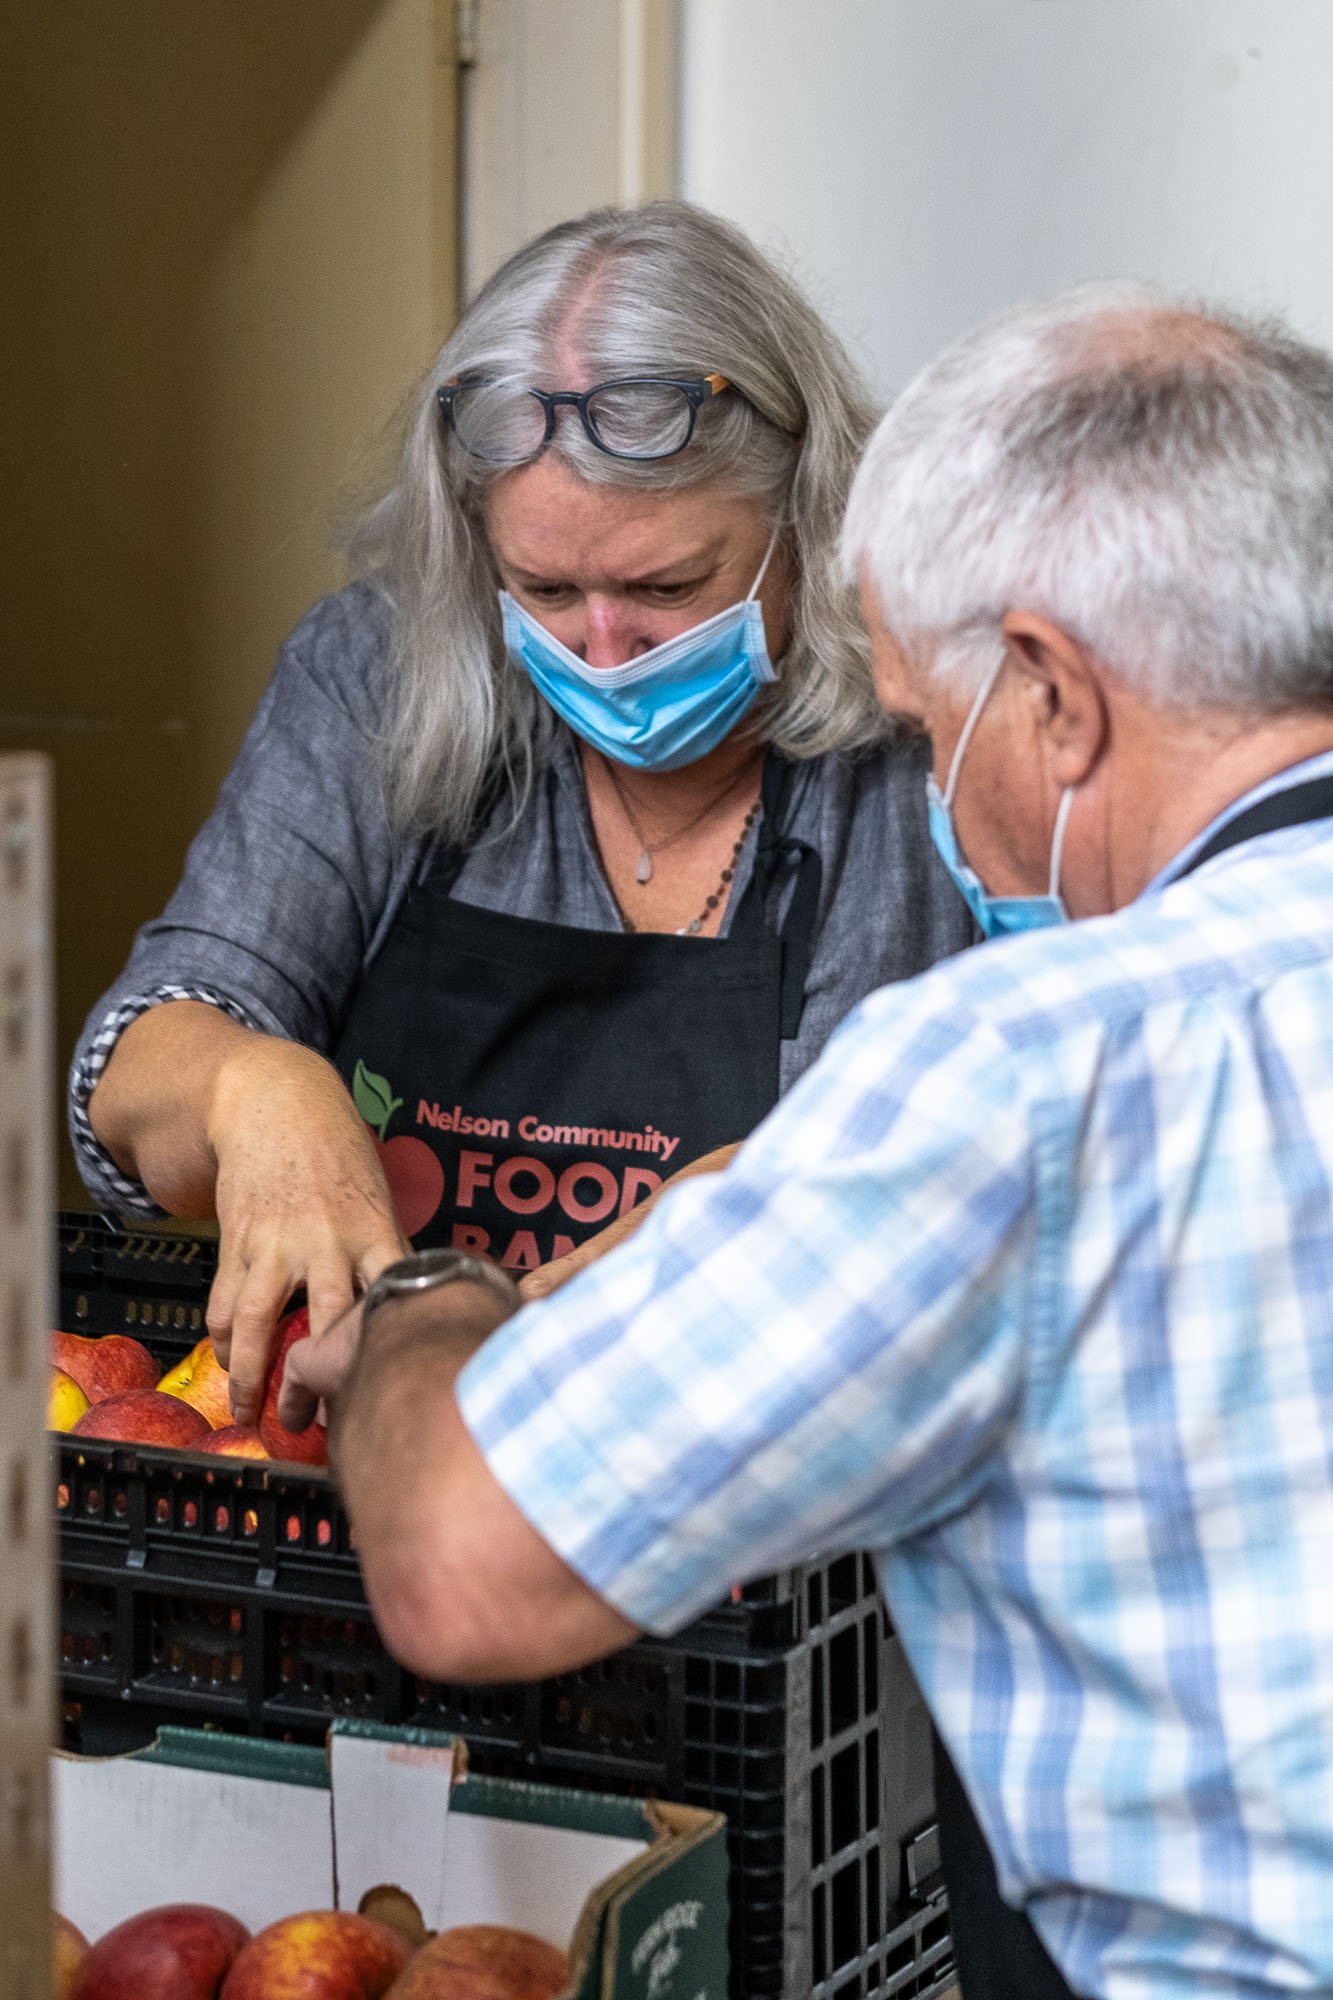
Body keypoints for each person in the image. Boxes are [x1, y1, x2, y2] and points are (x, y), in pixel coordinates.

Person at [284, 287, 1333, 2000]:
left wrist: (432, 1296)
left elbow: (468, 1569)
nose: (937, 789)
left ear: (1055, 696)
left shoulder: (1034, 1070)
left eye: (936, 729)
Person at [69, 200, 974, 1427]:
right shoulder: (375, 675)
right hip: (376, 1484)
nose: (603, 649)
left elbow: (992, 1162)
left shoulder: (930, 744)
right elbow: (135, 1069)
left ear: (808, 516)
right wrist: (250, 1087)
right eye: (544, 587)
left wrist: (778, 1203)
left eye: (668, 585)